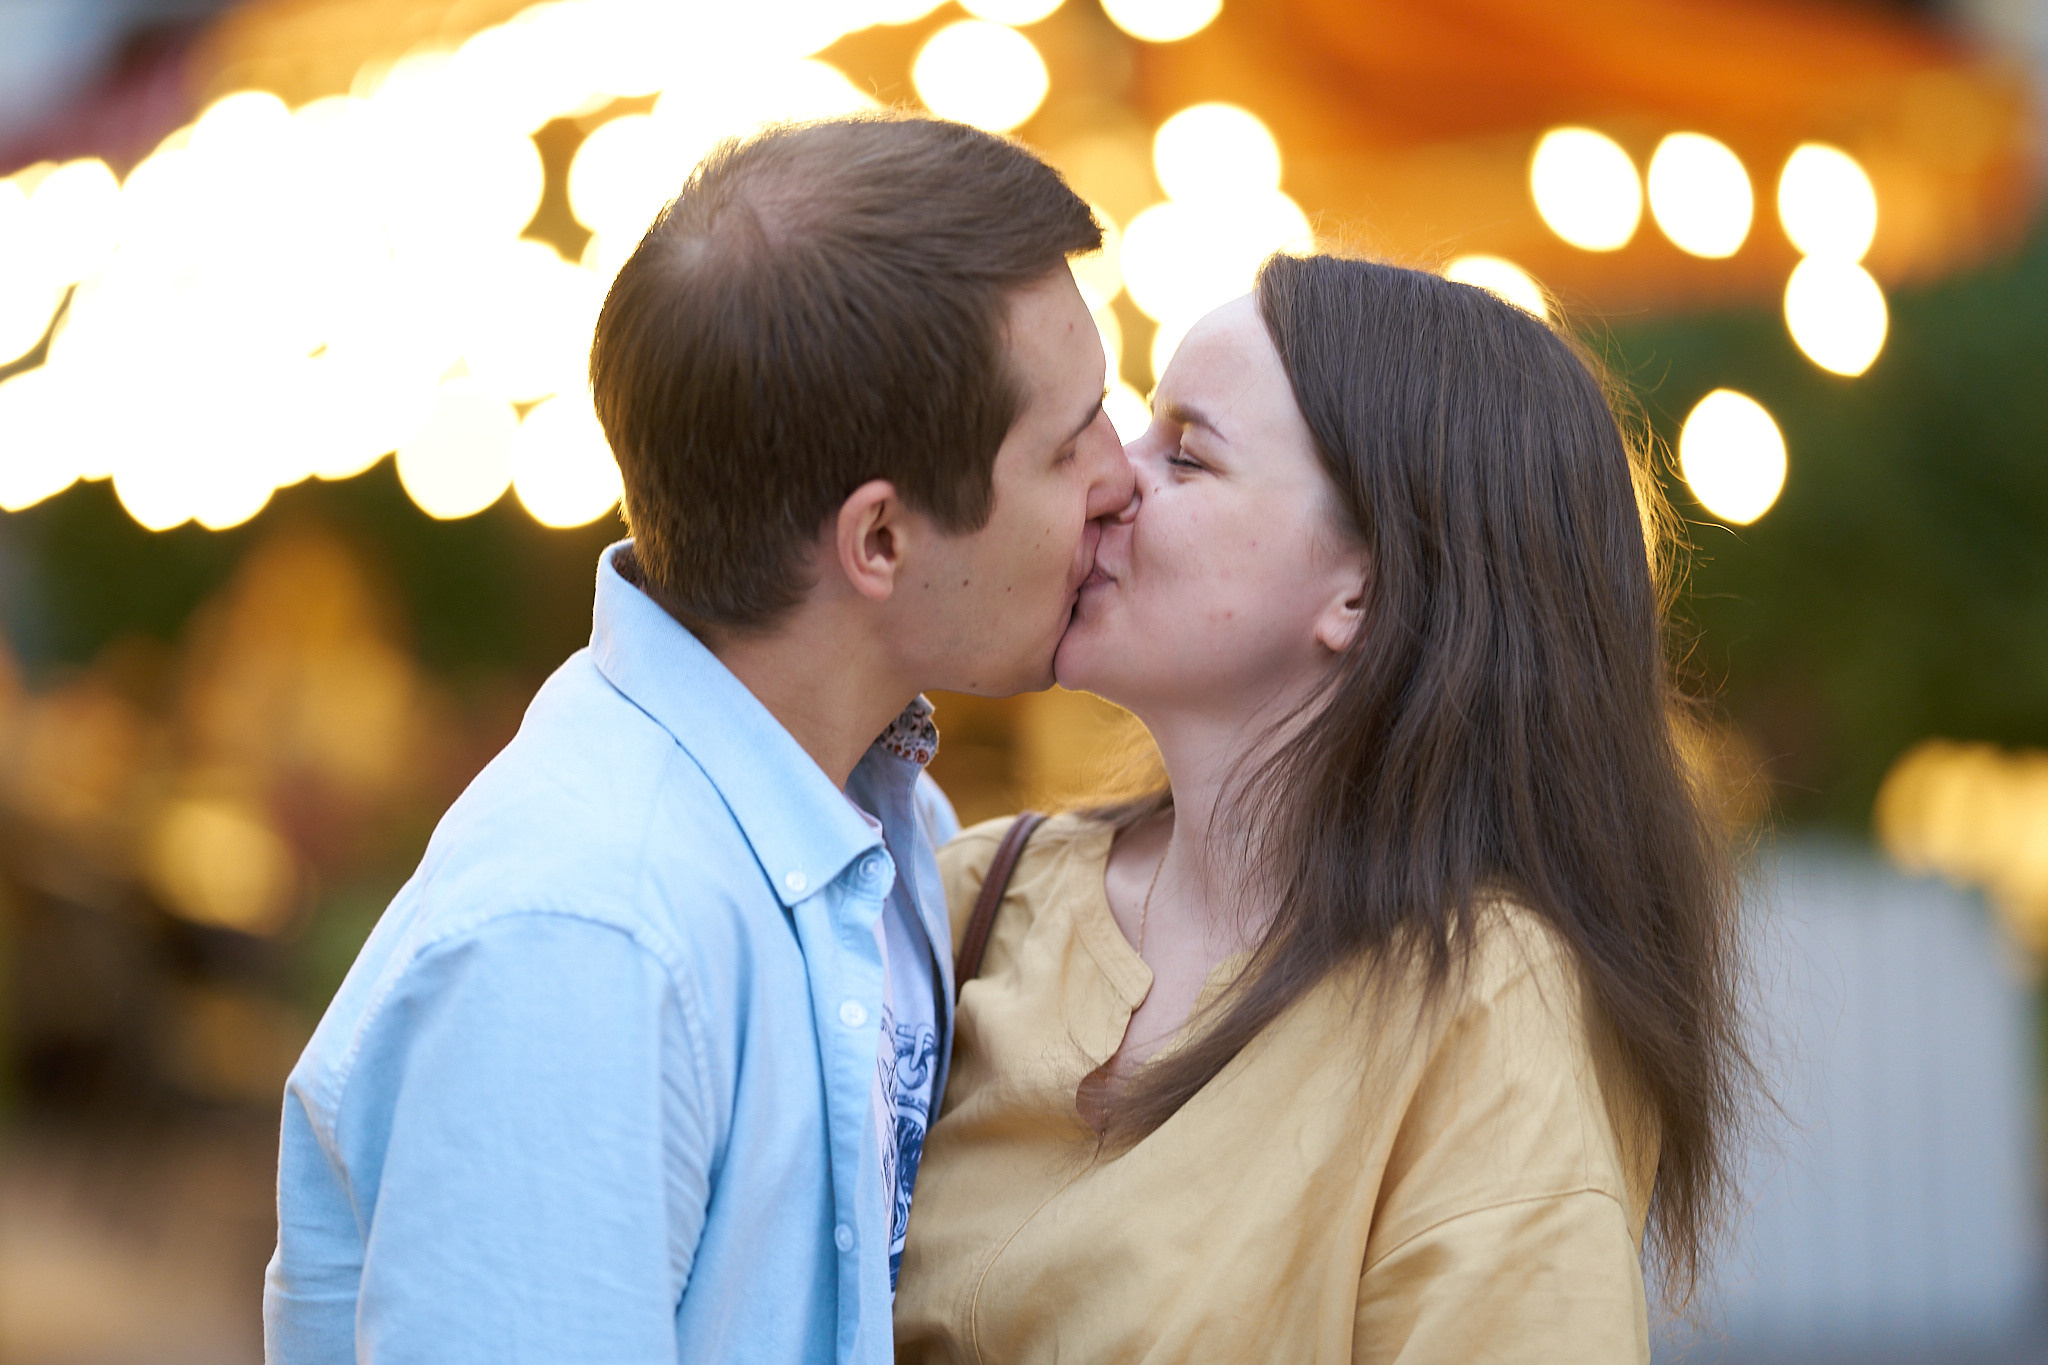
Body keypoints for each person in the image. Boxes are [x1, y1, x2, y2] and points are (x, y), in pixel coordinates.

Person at [263, 114, 1131, 1365]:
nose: (1121, 473)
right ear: (878, 540)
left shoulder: (874, 823)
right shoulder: (583, 940)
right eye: (1071, 440)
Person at [894, 255, 1750, 1363]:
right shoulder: (971, 893)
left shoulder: (1480, 996)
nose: (1105, 477)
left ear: (1366, 587)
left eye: (1185, 454)